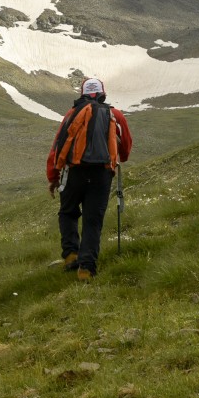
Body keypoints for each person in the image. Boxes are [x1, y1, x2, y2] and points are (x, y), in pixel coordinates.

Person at [46, 77, 132, 282]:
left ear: (82, 93)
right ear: (103, 93)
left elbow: (57, 146)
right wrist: (119, 158)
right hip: (102, 174)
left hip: (74, 171)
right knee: (93, 221)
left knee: (68, 212)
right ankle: (86, 268)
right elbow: (126, 146)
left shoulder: (72, 114)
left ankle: (70, 254)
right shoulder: (115, 115)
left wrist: (53, 176)